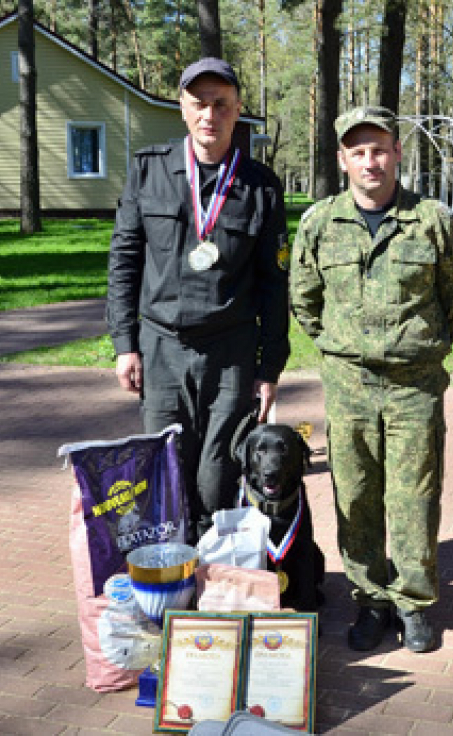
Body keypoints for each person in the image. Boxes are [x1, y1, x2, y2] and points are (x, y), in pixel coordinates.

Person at [290, 106, 453, 653]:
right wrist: (344, 345)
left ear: (397, 153)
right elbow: (304, 300)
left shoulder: (434, 220)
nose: (370, 160)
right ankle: (370, 601)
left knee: (415, 497)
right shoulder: (319, 222)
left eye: (380, 149)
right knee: (356, 495)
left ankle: (415, 604)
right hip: (347, 385)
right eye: (358, 151)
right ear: (343, 159)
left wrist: (422, 347)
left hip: (414, 385)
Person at [107, 58, 290, 546]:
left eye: (221, 105)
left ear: (237, 111)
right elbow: (123, 262)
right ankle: (171, 580)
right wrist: (126, 344)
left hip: (230, 353)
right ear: (183, 108)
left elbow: (275, 284)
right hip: (162, 347)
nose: (209, 114)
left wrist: (268, 368)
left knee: (218, 475)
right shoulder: (149, 171)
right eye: (199, 103)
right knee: (166, 470)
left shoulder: (261, 187)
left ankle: (214, 585)